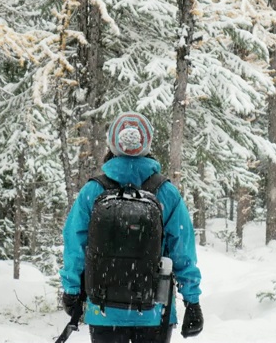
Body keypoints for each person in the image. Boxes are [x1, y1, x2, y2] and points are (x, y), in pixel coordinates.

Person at [59, 112, 203, 343]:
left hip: (103, 310)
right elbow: (182, 250)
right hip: (154, 311)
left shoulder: (93, 191)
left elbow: (75, 243)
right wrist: (192, 300)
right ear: (147, 143)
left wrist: (72, 290)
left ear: (113, 143)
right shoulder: (166, 192)